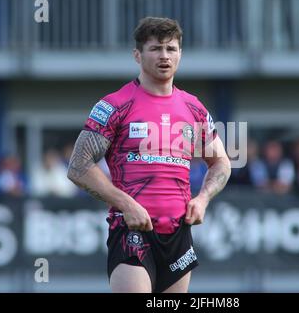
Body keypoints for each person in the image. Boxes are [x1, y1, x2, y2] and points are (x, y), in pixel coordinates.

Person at [67, 17, 231, 293]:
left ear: (181, 54)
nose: (164, 56)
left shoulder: (193, 109)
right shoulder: (115, 105)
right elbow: (78, 166)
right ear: (137, 55)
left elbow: (221, 162)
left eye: (171, 49)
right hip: (132, 231)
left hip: (179, 234)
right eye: (155, 49)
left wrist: (203, 199)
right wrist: (126, 204)